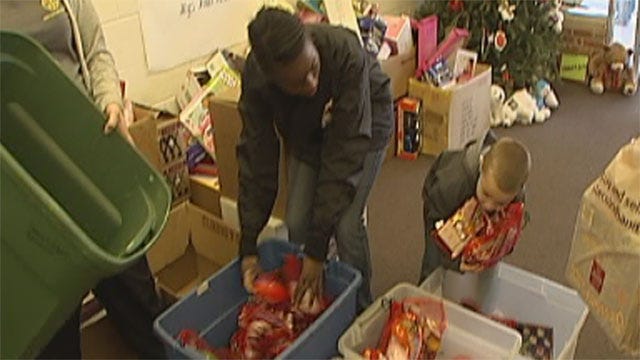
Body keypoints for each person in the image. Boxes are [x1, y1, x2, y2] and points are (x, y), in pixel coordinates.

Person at [0, 1, 166, 358]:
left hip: (89, 166)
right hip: (25, 189)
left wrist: (109, 100)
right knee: (54, 328)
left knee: (139, 299)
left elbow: (95, 52)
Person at [237, 7, 393, 311]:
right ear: (274, 82)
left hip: (366, 121)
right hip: (310, 129)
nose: (310, 84)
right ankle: (317, 298)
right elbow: (257, 157)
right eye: (295, 84)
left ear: (309, 38)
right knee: (296, 223)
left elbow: (344, 153)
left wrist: (317, 250)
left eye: (313, 68)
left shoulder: (345, 52)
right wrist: (248, 243)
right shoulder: (257, 80)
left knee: (347, 226)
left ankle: (363, 310)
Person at [420, 131, 531, 282]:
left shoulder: (516, 193)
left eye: (500, 203)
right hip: (441, 205)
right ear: (481, 164)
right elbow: (435, 225)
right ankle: (426, 288)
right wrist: (452, 263)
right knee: (436, 263)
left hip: (464, 197)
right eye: (486, 194)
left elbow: (513, 224)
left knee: (479, 253)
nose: (489, 206)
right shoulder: (454, 182)